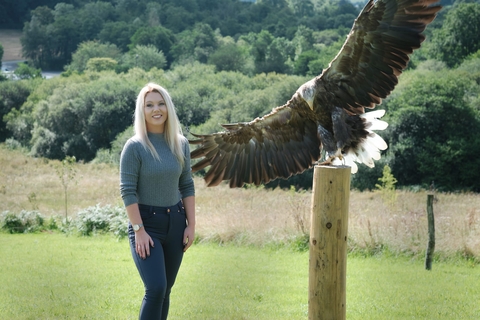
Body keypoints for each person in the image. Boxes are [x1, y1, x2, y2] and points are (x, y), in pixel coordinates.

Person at [120, 83, 195, 320]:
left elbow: (187, 185)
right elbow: (128, 191)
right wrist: (139, 230)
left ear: (168, 107)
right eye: (149, 104)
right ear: (142, 111)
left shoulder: (180, 143)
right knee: (156, 289)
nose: (156, 109)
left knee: (166, 291)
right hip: (146, 225)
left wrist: (191, 225)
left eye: (161, 103)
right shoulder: (134, 147)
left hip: (176, 223)